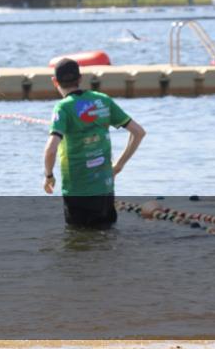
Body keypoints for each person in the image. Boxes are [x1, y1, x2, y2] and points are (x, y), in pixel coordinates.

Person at [42, 58, 146, 229]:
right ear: (80, 78)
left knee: (78, 239)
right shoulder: (103, 100)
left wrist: (48, 176)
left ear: (55, 81)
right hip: (105, 186)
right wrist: (119, 165)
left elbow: (50, 150)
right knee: (106, 234)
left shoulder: (63, 107)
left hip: (77, 189)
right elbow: (139, 132)